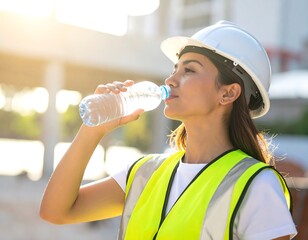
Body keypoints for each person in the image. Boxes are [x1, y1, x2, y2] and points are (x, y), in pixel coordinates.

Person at [40, 21, 297, 239]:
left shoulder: (256, 185)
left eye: (189, 70)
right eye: (175, 69)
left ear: (228, 93)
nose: (170, 79)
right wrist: (92, 128)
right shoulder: (145, 172)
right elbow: (56, 211)